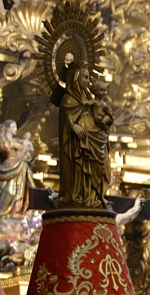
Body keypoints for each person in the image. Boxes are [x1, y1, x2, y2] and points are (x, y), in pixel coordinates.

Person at [56, 63, 110, 209]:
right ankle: (78, 195)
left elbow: (101, 114)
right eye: (85, 77)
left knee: (99, 168)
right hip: (77, 145)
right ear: (75, 78)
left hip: (94, 140)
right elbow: (64, 119)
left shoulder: (87, 96)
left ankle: (93, 196)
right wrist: (73, 125)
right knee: (80, 169)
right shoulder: (68, 98)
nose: (88, 81)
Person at [0, 120, 35, 220]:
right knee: (8, 191)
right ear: (7, 128)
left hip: (20, 168)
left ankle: (16, 212)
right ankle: (3, 214)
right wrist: (3, 147)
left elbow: (28, 153)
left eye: (16, 127)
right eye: (13, 127)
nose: (16, 129)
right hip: (6, 168)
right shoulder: (2, 140)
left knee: (19, 191)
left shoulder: (18, 141)